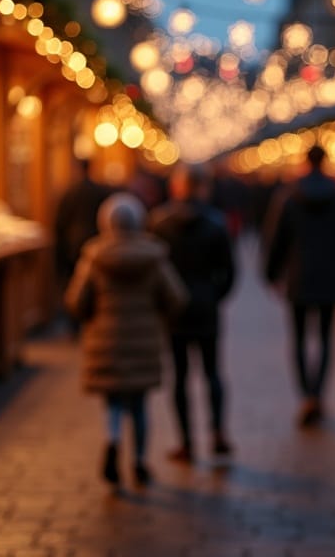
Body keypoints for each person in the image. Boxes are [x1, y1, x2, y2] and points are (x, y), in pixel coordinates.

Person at [65, 192, 187, 488]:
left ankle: (113, 439)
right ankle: (140, 462)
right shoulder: (154, 256)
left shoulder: (93, 257)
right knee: (140, 405)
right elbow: (177, 298)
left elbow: (76, 301)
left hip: (106, 341)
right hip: (143, 342)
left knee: (114, 402)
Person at [264, 145, 335, 427]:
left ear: (305, 161)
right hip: (331, 278)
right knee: (325, 338)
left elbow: (277, 238)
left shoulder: (289, 197)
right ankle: (318, 393)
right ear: (326, 161)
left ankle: (306, 394)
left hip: (298, 278)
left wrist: (272, 274)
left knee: (297, 339)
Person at [149, 164, 236, 463]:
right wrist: (214, 296)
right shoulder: (216, 223)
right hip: (206, 306)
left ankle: (186, 442)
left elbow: (154, 271)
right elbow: (230, 271)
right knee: (212, 372)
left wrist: (162, 302)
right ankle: (217, 433)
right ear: (202, 188)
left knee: (180, 376)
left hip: (174, 310)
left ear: (176, 187)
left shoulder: (159, 223)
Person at [53, 158, 114, 331]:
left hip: (74, 246)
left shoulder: (70, 192)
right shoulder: (99, 191)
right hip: (95, 242)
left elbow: (60, 222)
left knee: (76, 285)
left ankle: (75, 323)